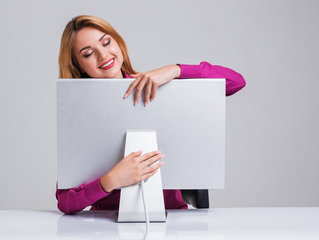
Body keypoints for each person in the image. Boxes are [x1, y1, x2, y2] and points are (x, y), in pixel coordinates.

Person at [56, 15, 246, 214]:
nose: (103, 55)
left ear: (118, 43)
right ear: (77, 65)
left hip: (172, 220)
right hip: (106, 225)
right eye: (88, 54)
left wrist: (176, 70)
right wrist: (110, 180)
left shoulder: (157, 87)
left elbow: (236, 82)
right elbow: (65, 202)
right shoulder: (79, 113)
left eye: (106, 42)